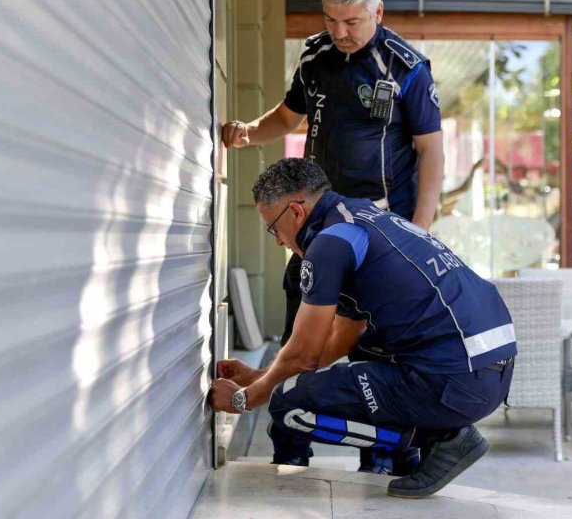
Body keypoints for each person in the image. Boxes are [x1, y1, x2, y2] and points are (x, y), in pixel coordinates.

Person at [222, 0, 444, 475]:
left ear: (378, 11)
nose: (340, 32)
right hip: (316, 225)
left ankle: (384, 467)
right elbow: (288, 115)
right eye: (331, 19)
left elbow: (431, 152)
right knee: (303, 335)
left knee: (374, 356)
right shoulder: (315, 57)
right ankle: (289, 460)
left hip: (381, 236)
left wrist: (420, 231)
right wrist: (247, 133)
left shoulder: (407, 67)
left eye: (353, 21)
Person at [210, 159, 516, 499]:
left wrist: (242, 399)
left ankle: (444, 440)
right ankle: (438, 432)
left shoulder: (327, 245)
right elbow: (342, 337)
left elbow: (305, 355)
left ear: (296, 212)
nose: (279, 242)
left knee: (288, 407)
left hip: (452, 380)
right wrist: (259, 375)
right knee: (310, 379)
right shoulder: (362, 217)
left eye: (274, 229)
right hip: (488, 372)